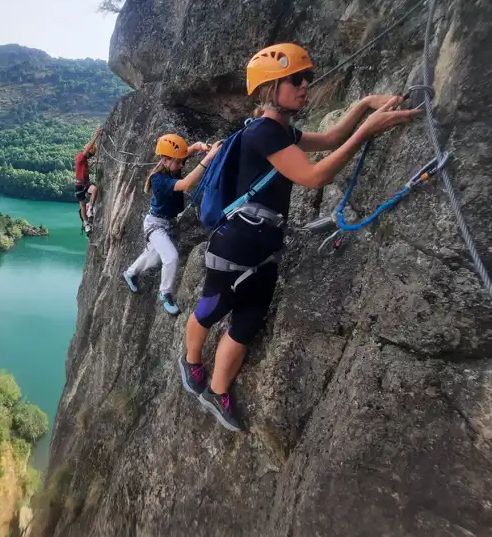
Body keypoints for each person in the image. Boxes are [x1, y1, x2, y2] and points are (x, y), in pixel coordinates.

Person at [179, 43, 421, 431]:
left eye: (306, 77)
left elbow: (326, 141)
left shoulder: (280, 130)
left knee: (246, 323)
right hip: (237, 242)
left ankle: (217, 389)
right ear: (271, 87)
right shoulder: (262, 134)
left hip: (264, 245)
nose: (305, 84)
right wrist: (366, 132)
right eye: (296, 79)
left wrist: (362, 109)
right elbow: (313, 177)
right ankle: (192, 361)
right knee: (211, 307)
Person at [122, 134, 222, 315]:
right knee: (171, 257)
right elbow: (185, 184)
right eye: (178, 163)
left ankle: (130, 273)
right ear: (166, 160)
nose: (182, 165)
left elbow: (186, 153)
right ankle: (165, 293)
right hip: (156, 226)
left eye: (181, 162)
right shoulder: (158, 180)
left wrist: (200, 146)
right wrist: (208, 158)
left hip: (166, 224)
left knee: (153, 257)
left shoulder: (172, 163)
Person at [75, 129, 100, 234]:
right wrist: (96, 135)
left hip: (84, 183)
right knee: (83, 205)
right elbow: (90, 146)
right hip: (80, 185)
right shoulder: (81, 158)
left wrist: (92, 164)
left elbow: (85, 170)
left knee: (94, 190)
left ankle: (90, 210)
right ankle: (86, 223)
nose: (85, 147)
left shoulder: (83, 159)